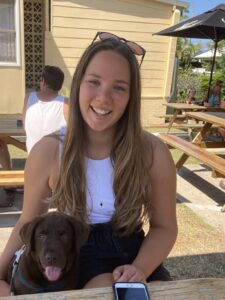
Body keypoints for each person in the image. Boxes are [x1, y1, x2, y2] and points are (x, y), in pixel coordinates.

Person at [0, 32, 177, 295]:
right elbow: (28, 220)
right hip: (81, 248)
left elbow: (164, 227)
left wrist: (139, 268)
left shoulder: (152, 152)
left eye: (119, 87)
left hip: (136, 249)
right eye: (94, 82)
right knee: (104, 292)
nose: (104, 97)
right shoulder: (49, 151)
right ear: (78, 84)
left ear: (132, 96)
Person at [23, 65, 69, 153]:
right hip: (57, 161)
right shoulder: (66, 104)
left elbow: (26, 127)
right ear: (60, 85)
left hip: (33, 159)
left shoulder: (28, 98)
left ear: (43, 82)